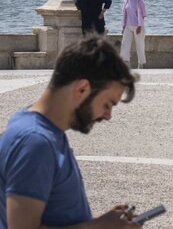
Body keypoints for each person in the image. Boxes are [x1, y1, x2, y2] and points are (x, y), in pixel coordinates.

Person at [0, 36, 141, 228]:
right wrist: (99, 226)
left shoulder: (39, 130)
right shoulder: (34, 141)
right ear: (82, 89)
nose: (108, 116)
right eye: (107, 104)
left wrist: (103, 221)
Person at [120, 0, 147, 69]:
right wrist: (123, 27)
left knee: (140, 45)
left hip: (138, 27)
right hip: (128, 26)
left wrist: (140, 26)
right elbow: (124, 14)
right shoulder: (126, 0)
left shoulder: (139, 0)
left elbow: (143, 14)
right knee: (125, 45)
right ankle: (125, 63)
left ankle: (141, 64)